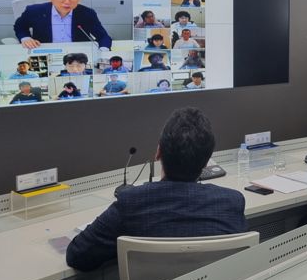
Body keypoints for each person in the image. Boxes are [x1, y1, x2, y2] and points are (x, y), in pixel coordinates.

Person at [66, 107, 247, 271]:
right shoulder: (231, 202)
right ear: (207, 161)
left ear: (158, 152)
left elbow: (77, 255)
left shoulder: (131, 202)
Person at [13, 0, 112, 50]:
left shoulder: (87, 13)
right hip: (45, 51)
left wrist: (103, 51)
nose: (67, 2)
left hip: (77, 54)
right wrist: (26, 38)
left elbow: (103, 37)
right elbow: (20, 27)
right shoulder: (35, 11)